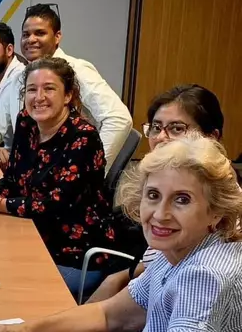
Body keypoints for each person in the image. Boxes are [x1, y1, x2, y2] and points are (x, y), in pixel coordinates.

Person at [0, 135, 242, 332]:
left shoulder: (202, 275)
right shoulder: (176, 249)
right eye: (153, 195)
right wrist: (24, 329)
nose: (160, 214)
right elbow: (110, 315)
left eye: (182, 200)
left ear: (216, 211)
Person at [0, 58, 119, 298]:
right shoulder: (27, 122)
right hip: (31, 234)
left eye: (49, 88)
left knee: (1, 286)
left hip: (73, 254)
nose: (39, 97)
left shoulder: (83, 138)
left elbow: (55, 205)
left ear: (68, 96)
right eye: (32, 89)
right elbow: (13, 178)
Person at [86, 83, 226, 303]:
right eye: (156, 127)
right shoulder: (159, 178)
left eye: (177, 128)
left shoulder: (219, 197)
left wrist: (119, 279)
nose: (161, 137)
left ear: (211, 137)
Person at [0, 4, 132, 170]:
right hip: (27, 173)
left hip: (66, 176)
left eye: (40, 33)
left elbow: (119, 119)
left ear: (57, 37)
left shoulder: (77, 70)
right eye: (26, 34)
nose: (31, 40)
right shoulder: (20, 77)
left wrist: (91, 167)